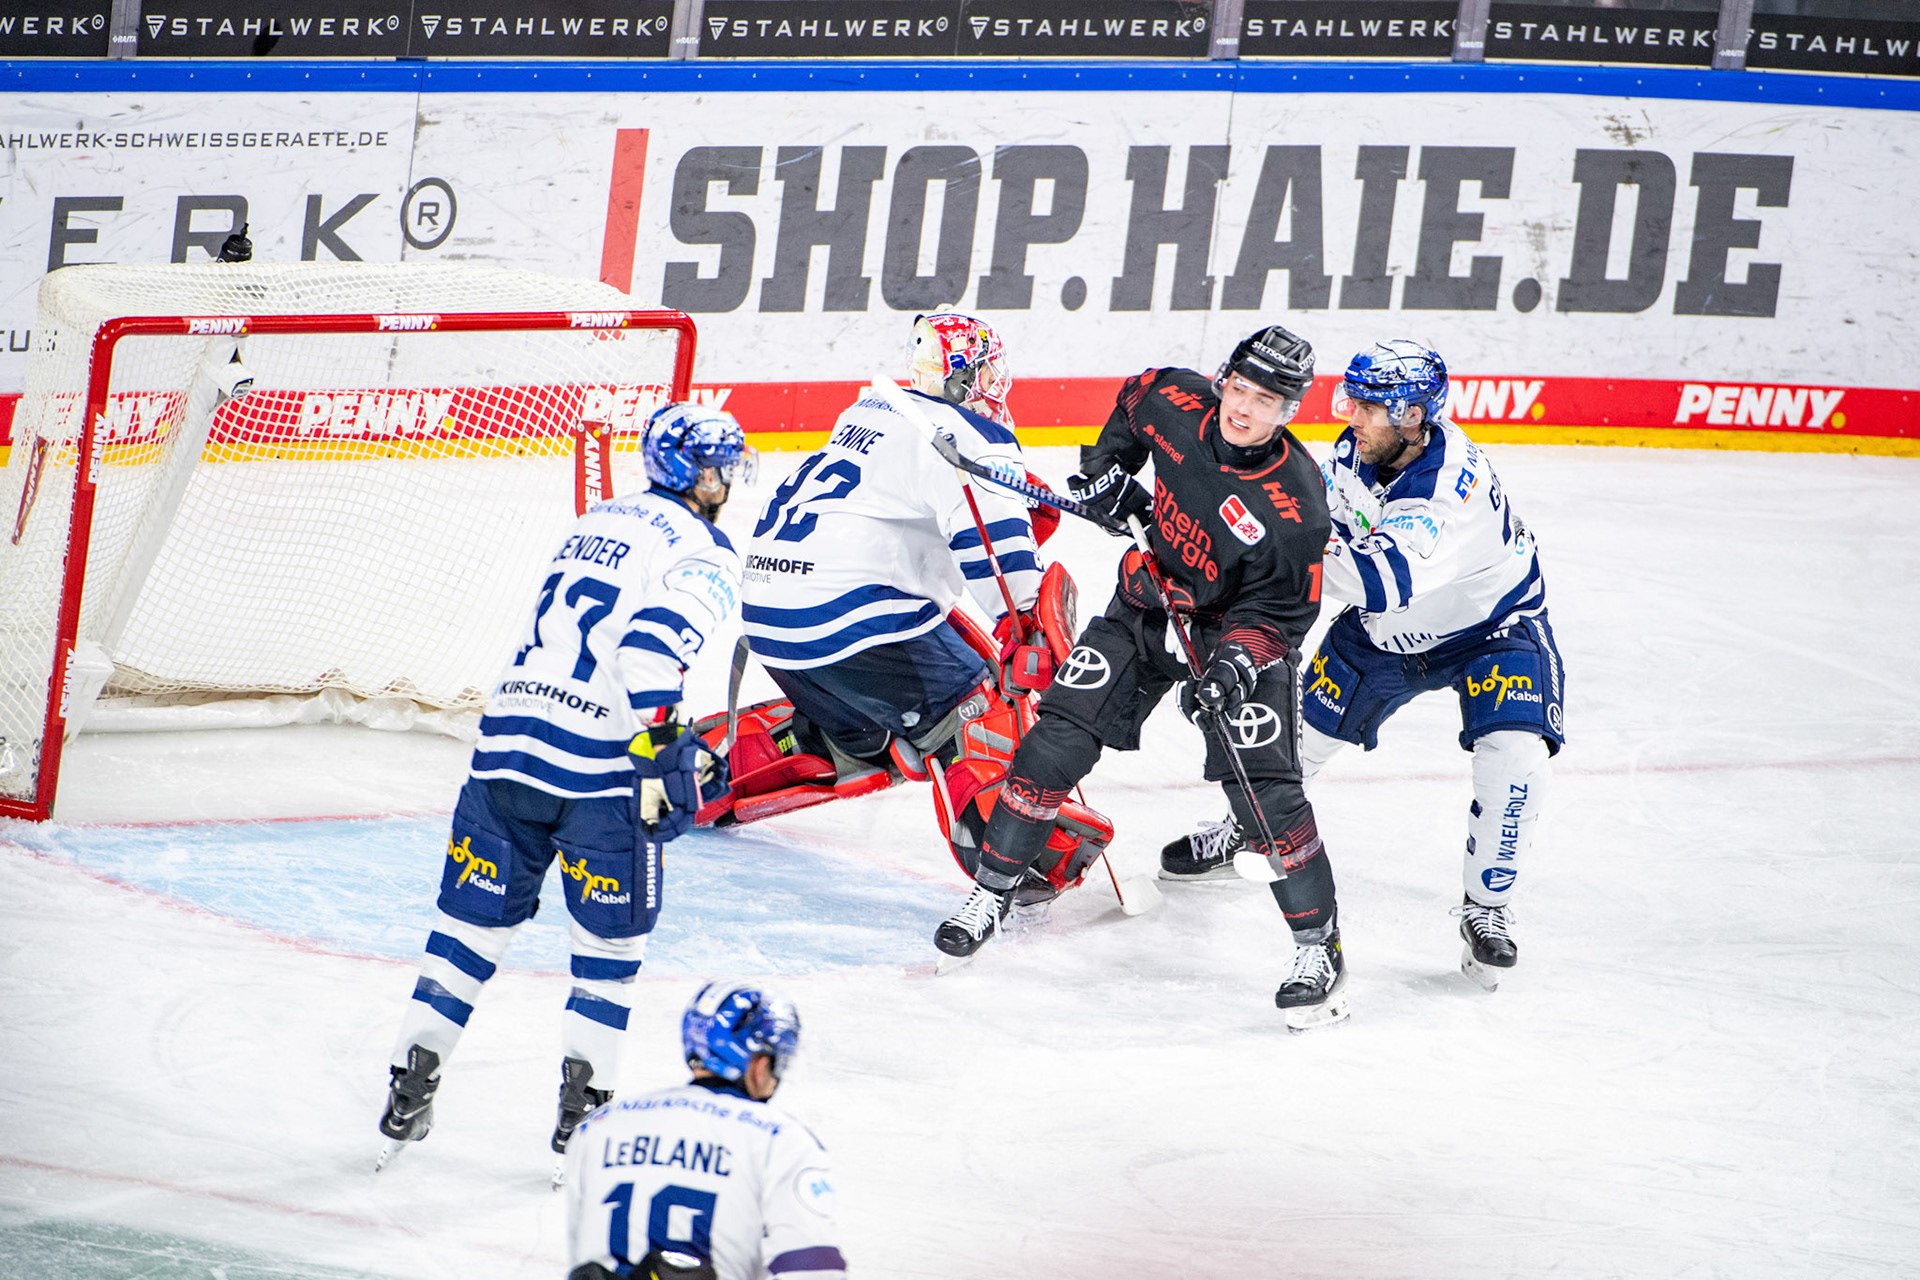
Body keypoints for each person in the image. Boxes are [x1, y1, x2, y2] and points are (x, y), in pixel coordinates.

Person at [375, 403, 753, 1169]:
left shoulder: (593, 522)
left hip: (504, 753)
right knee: (608, 953)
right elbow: (649, 654)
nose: (729, 479)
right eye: (722, 465)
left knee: (467, 936)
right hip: (597, 772)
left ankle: (409, 1084)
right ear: (700, 475)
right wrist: (659, 753)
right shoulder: (704, 549)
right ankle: (581, 1124)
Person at [933, 326, 1336, 988]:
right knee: (1051, 743)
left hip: (1229, 634)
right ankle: (990, 892)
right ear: (1221, 380)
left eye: (1266, 401)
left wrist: (1234, 664)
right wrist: (1109, 474)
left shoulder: (1295, 507)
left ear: (1288, 413)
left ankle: (1320, 946)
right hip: (1149, 600)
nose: (1244, 409)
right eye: (1239, 388)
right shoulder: (1175, 399)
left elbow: (1281, 617)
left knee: (1266, 800)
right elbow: (1133, 399)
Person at [1182, 340, 1565, 1005]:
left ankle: (1487, 905)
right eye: (1349, 401)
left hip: (1490, 632)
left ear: (1413, 415)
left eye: (1366, 407)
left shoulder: (1446, 489)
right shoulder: (1357, 451)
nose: (1349, 417)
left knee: (1517, 759)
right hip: (1382, 639)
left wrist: (1259, 537)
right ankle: (1247, 823)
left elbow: (1376, 580)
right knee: (1289, 750)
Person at [733, 312, 1044, 789]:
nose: (990, 384)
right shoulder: (975, 439)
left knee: (879, 730)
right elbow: (1002, 561)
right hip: (854, 631)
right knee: (982, 705)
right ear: (961, 377)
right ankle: (1011, 851)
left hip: (768, 622)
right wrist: (1030, 623)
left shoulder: (866, 411)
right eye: (983, 372)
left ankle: (799, 744)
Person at [562, 983, 845, 1280]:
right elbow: (814, 1270)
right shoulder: (782, 1142)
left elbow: (584, 1263)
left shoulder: (599, 1126)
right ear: (760, 1066)